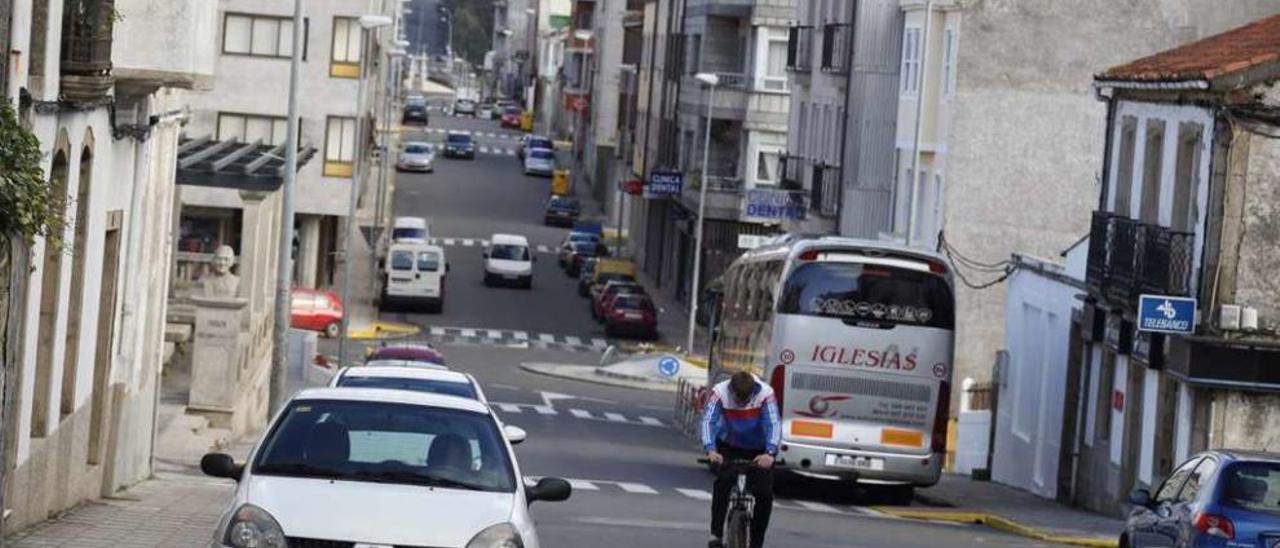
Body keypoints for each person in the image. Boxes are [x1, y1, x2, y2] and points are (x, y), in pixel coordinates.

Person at [701, 370, 780, 548]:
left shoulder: (765, 394)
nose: (741, 403)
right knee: (723, 483)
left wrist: (770, 452)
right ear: (731, 390)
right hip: (729, 445)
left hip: (759, 449)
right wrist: (711, 450)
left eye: (746, 399)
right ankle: (716, 535)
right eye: (738, 399)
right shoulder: (719, 392)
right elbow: (708, 421)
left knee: (764, 494)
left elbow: (773, 423)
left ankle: (757, 541)